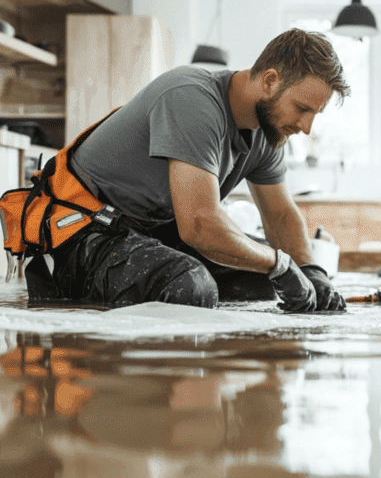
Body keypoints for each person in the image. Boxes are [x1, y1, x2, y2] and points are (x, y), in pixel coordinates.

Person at [1, 28, 350, 312]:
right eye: (302, 108)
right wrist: (280, 264)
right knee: (189, 284)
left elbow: (281, 216)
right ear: (270, 81)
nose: (306, 126)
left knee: (259, 281)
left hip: (145, 234)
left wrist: (311, 273)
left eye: (314, 114)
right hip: (82, 235)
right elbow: (200, 226)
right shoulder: (193, 98)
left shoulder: (267, 132)